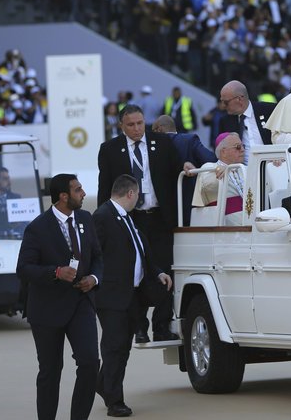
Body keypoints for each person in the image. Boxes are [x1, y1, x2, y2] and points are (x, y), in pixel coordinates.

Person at [16, 174, 102, 420]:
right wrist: (55, 272)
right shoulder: (37, 228)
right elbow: (24, 269)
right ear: (64, 196)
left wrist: (94, 279)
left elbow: (97, 257)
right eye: (78, 190)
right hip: (47, 309)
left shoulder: (86, 219)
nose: (83, 193)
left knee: (89, 364)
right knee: (50, 372)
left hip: (81, 303)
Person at [97, 104, 182, 343]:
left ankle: (162, 325)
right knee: (135, 272)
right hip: (129, 222)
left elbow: (178, 170)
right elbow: (105, 189)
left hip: (159, 218)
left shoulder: (163, 143)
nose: (137, 129)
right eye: (131, 125)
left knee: (165, 270)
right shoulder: (110, 150)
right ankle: (140, 326)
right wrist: (103, 223)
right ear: (121, 126)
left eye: (140, 123)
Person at [93, 174, 173, 417]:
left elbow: (140, 249)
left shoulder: (127, 218)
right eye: (138, 194)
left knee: (123, 347)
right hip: (111, 295)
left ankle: (104, 384)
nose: (139, 198)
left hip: (131, 294)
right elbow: (93, 254)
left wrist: (156, 271)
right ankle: (114, 401)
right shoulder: (103, 216)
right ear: (130, 193)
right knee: (114, 347)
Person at [152, 114, 216, 226]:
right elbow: (210, 160)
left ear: (159, 129)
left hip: (159, 210)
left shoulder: (152, 146)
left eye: (153, 131)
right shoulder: (189, 140)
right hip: (189, 205)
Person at [191, 133, 247, 224]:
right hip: (223, 227)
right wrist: (225, 171)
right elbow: (209, 186)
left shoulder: (244, 169)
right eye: (238, 147)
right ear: (223, 152)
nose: (243, 150)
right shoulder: (209, 167)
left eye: (243, 146)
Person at [217, 80, 276, 163]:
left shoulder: (269, 110)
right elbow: (222, 150)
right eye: (222, 102)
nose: (223, 106)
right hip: (243, 171)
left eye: (226, 102)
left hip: (274, 166)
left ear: (239, 99)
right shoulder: (225, 121)